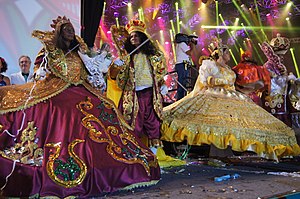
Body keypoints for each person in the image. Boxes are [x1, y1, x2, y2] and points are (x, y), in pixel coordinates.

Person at [0, 16, 160, 198]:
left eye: (71, 28)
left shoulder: (81, 53)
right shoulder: (49, 50)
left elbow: (90, 76)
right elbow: (39, 72)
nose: (70, 31)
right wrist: (43, 73)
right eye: (66, 28)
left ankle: (111, 163)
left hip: (82, 91)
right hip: (56, 91)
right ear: (59, 33)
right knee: (64, 112)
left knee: (106, 108)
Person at [161, 39, 300, 161]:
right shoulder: (210, 65)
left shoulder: (228, 69)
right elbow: (205, 81)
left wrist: (254, 87)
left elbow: (237, 86)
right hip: (214, 96)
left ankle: (227, 152)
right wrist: (217, 80)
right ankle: (218, 152)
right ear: (221, 53)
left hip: (233, 96)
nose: (229, 55)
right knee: (219, 124)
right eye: (227, 52)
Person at [108, 19, 168, 149]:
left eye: (136, 35)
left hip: (151, 94)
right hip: (133, 95)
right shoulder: (127, 56)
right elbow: (113, 76)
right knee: (132, 124)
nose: (133, 38)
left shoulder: (154, 55)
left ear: (142, 37)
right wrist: (116, 67)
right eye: (131, 36)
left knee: (154, 124)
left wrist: (162, 83)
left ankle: (153, 158)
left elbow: (159, 72)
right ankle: (133, 156)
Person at [174, 33, 197, 100]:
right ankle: (180, 98)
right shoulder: (182, 44)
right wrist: (192, 45)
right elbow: (190, 53)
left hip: (182, 65)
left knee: (184, 82)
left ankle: (181, 97)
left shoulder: (180, 44)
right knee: (182, 82)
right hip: (182, 65)